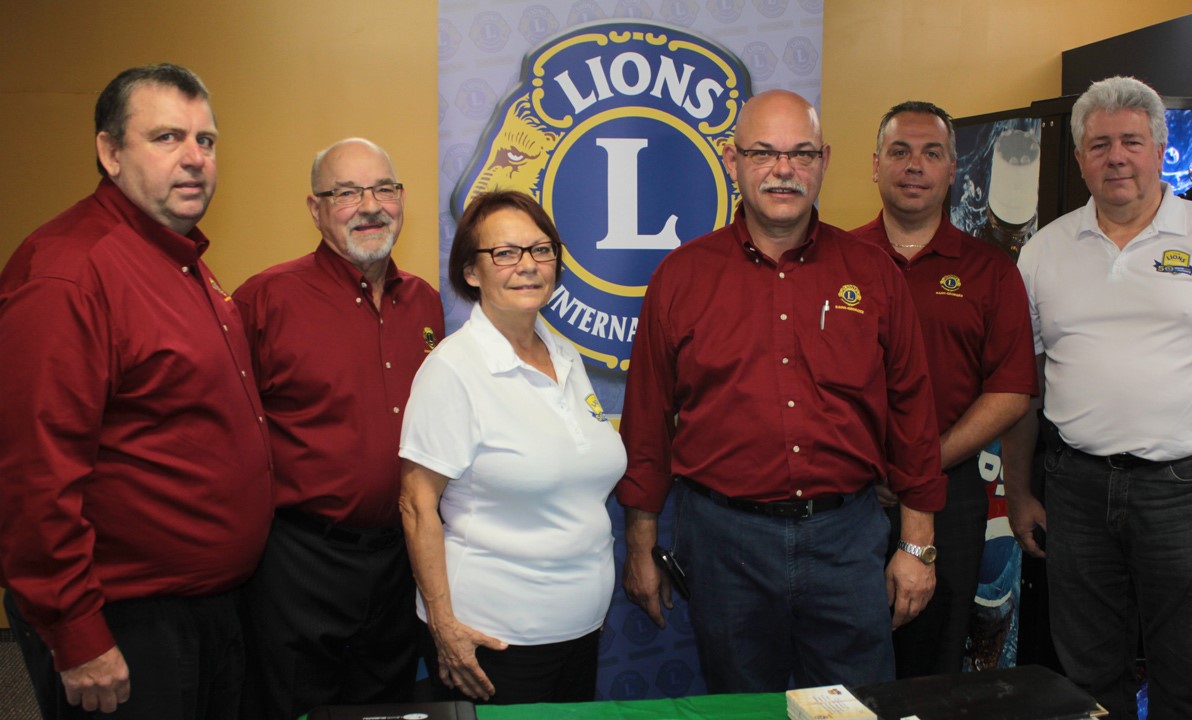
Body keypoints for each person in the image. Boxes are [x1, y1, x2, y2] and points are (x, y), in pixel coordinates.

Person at [616, 89, 946, 693]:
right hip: (724, 544)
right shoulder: (681, 278)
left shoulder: (871, 274)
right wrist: (642, 544)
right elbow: (646, 422)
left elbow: (913, 414)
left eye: (801, 154)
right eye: (764, 153)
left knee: (858, 707)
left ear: (824, 161)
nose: (784, 170)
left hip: (847, 538)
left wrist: (918, 546)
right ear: (732, 159)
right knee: (744, 708)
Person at [0, 64, 272, 719]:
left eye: (206, 141)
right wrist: (76, 635)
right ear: (110, 153)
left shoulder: (179, 262)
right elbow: (33, 475)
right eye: (167, 137)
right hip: (126, 625)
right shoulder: (70, 273)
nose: (194, 158)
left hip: (203, 609)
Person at [1004, 76, 1192, 720]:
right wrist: (1019, 492)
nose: (1116, 157)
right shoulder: (1044, 252)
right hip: (1075, 487)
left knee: (1185, 673)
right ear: (1078, 159)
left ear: (1161, 149)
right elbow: (1021, 381)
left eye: (1132, 141)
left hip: (1185, 489)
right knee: (1088, 675)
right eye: (1099, 145)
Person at [233, 138, 445, 719]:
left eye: (383, 189)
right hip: (299, 560)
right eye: (346, 193)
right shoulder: (265, 299)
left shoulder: (426, 304)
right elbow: (226, 432)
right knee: (294, 705)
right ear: (315, 208)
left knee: (386, 705)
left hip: (399, 559)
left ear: (402, 199)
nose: (369, 205)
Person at [399, 190, 626, 705]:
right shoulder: (452, 370)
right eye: (505, 253)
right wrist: (445, 629)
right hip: (493, 641)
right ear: (472, 272)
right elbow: (416, 506)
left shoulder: (562, 351)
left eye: (540, 250)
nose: (527, 266)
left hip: (578, 632)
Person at [848, 101, 1037, 677]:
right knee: (844, 657)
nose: (915, 166)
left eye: (932, 153)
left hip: (950, 489)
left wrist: (917, 466)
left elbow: (1011, 391)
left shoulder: (991, 269)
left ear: (954, 169)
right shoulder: (835, 259)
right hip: (847, 495)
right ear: (874, 165)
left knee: (931, 661)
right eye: (900, 152)